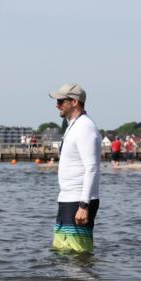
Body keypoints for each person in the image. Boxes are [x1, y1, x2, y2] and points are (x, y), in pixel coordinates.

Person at [49, 83, 101, 253]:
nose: (57, 105)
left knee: (79, 254)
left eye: (61, 101)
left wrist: (84, 205)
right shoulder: (73, 126)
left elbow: (92, 168)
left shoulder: (85, 127)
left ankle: (84, 280)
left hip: (79, 201)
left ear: (74, 102)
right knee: (62, 252)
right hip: (67, 198)